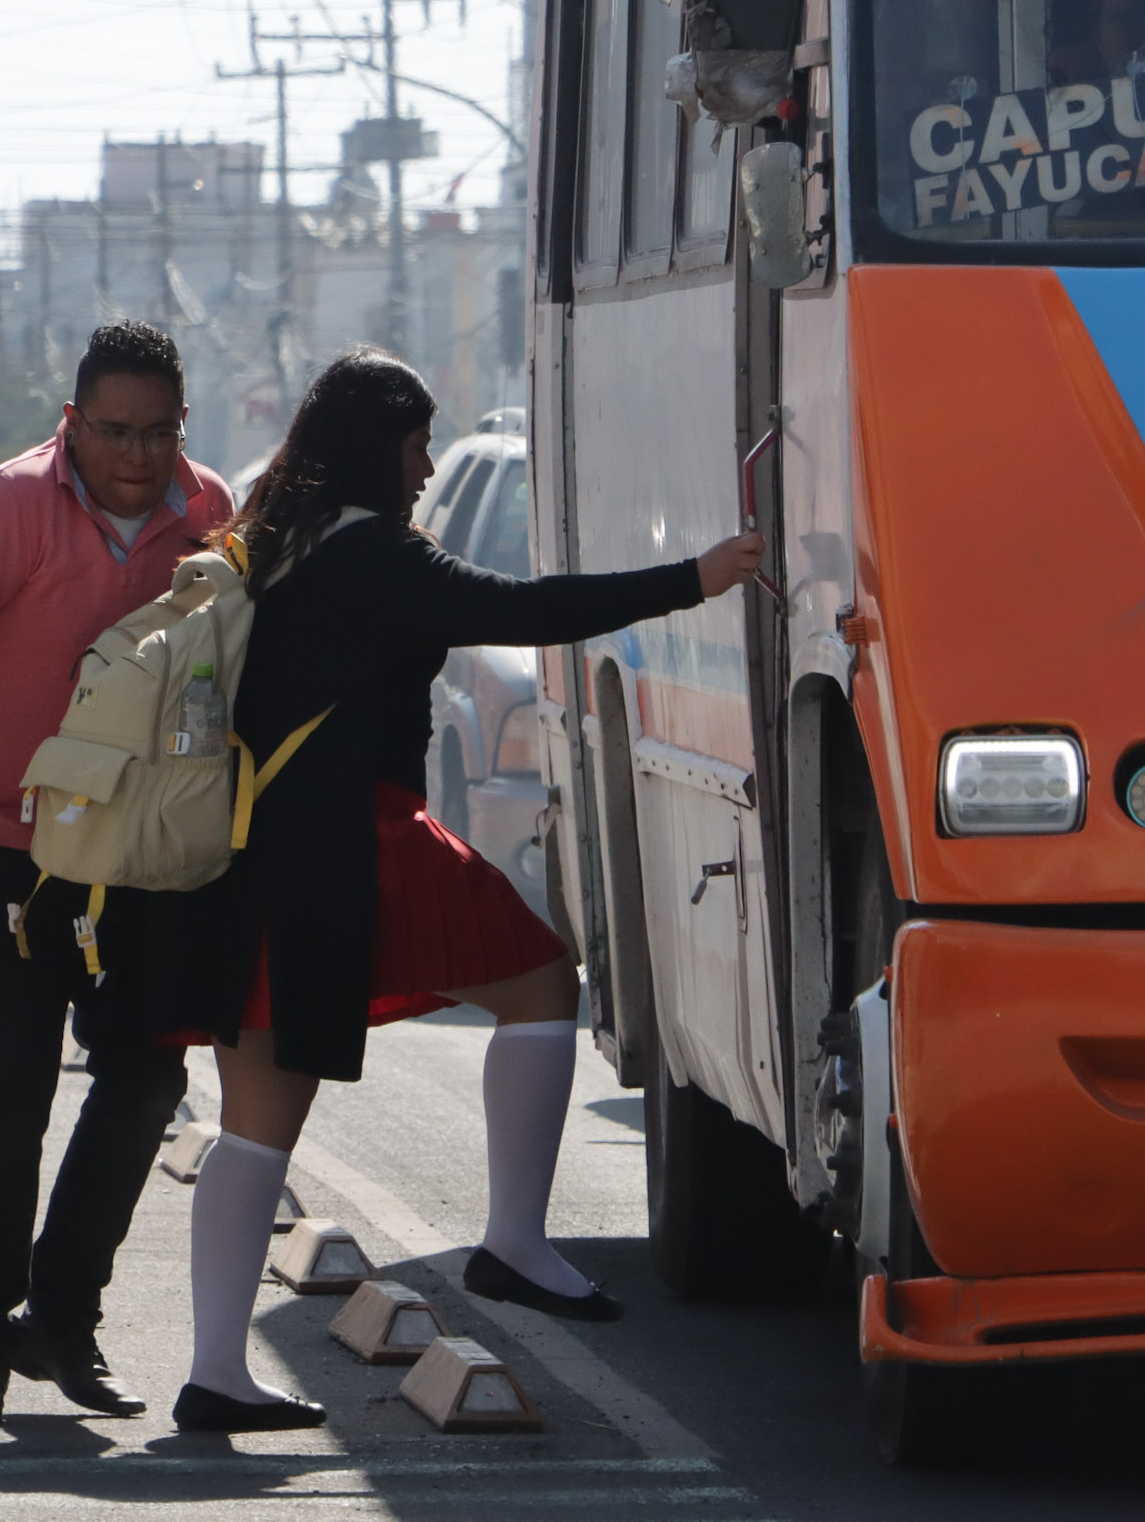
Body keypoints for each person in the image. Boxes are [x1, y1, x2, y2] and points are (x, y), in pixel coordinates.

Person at [150, 348, 763, 1432]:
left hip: (252, 852)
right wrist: (696, 577)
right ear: (375, 446)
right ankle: (514, 1242)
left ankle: (214, 1371)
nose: (428, 464)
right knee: (539, 979)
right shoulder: (375, 553)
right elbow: (523, 608)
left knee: (256, 1121)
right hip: (359, 842)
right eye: (416, 441)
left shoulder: (269, 533)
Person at [0, 322, 233, 1424]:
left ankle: (63, 1318)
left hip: (136, 850)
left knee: (146, 1076)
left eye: (157, 432)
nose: (136, 455)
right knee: (12, 1083)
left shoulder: (208, 507)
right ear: (73, 421)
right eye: (114, 431)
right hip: (0, 840)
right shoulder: (11, 503)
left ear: (182, 425)